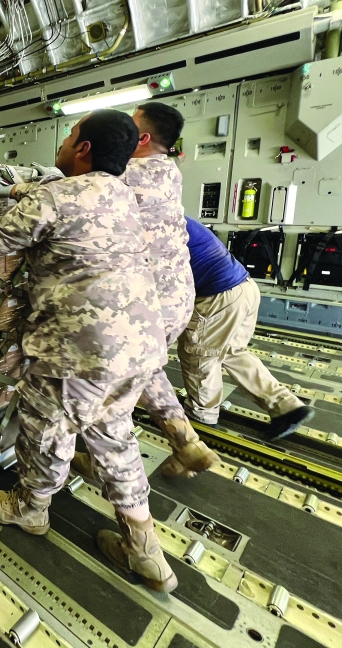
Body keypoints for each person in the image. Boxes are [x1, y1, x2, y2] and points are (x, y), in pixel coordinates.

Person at [0, 109, 179, 592]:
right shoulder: (123, 195)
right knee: (115, 435)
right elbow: (67, 211)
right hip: (140, 349)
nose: (63, 143)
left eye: (69, 136)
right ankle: (145, 549)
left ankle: (30, 508)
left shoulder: (57, 197)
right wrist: (23, 192)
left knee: (47, 428)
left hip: (80, 350)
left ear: (82, 149)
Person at [74, 102, 217, 481]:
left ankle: (105, 464)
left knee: (111, 392)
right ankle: (186, 443)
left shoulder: (127, 175)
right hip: (177, 296)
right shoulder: (169, 171)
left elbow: (73, 191)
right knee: (147, 371)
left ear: (145, 138)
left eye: (130, 128)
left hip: (145, 301)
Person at [179, 217, 314, 437]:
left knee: (199, 355)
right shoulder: (171, 214)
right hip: (244, 287)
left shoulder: (149, 221)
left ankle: (201, 420)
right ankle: (287, 407)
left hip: (219, 296)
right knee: (232, 352)